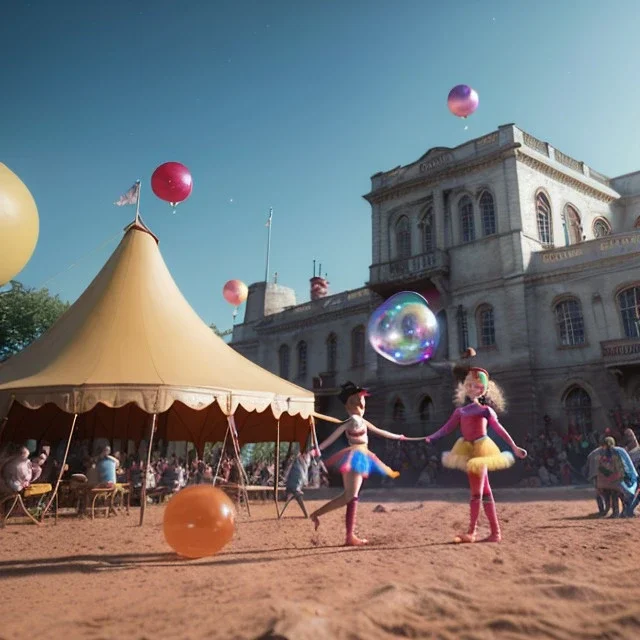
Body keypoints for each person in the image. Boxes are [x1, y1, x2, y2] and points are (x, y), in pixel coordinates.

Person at [426, 367, 527, 543]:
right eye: (470, 385)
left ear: (483, 390)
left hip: (480, 449)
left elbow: (498, 429)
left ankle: (472, 532)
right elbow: (447, 427)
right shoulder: (460, 412)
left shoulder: (485, 410)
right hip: (468, 448)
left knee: (476, 493)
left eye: (477, 386)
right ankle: (495, 533)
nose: (473, 388)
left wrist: (513, 446)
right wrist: (432, 437)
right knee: (485, 492)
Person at [309, 381, 408, 546]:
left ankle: (321, 517)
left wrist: (399, 437)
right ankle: (348, 536)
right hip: (356, 456)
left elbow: (380, 431)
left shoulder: (360, 420)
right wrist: (316, 450)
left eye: (362, 399)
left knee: (348, 496)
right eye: (359, 399)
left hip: (360, 455)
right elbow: (333, 437)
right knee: (351, 496)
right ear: (352, 403)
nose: (362, 402)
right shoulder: (353, 420)